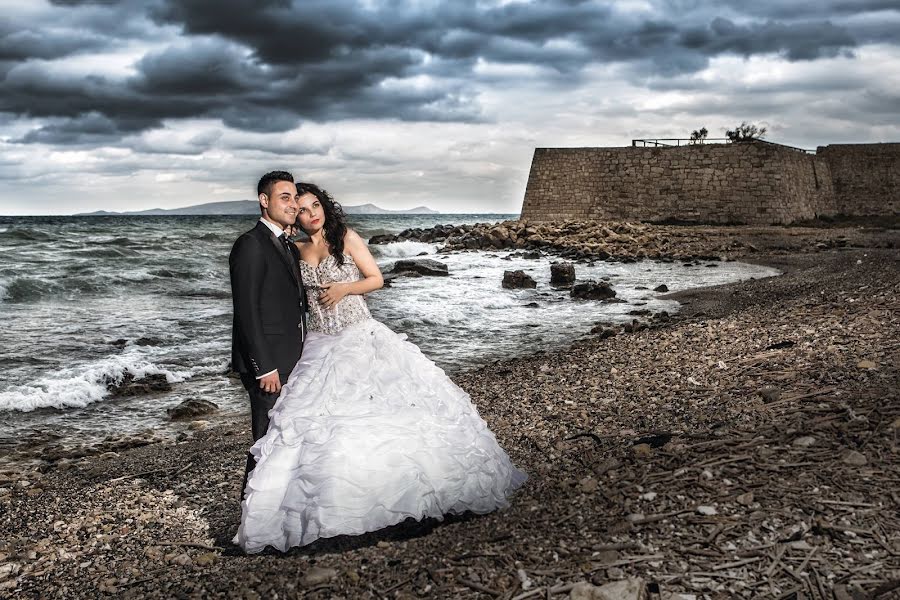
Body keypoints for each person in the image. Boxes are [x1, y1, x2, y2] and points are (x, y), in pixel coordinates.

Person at [234, 182, 527, 553]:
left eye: (315, 205)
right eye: (303, 208)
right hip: (319, 343)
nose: (311, 213)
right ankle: (311, 509)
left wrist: (345, 289)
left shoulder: (347, 238)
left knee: (384, 411)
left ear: (325, 206)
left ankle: (402, 496)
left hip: (360, 336)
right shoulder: (293, 248)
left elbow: (377, 279)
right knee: (317, 423)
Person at [229, 171, 308, 499]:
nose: (293, 205)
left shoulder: (286, 245)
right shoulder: (250, 244)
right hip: (269, 364)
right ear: (264, 201)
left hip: (293, 357)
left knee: (285, 437)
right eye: (284, 198)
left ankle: (277, 508)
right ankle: (252, 515)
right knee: (265, 440)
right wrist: (264, 366)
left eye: (294, 198)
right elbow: (246, 311)